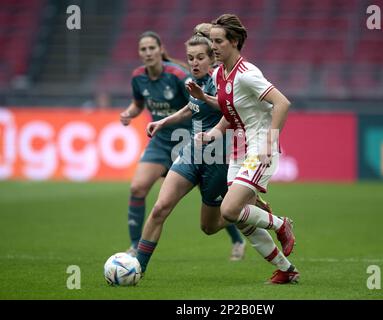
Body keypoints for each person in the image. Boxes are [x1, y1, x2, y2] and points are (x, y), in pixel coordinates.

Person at [187, 14, 299, 283]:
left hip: (258, 147)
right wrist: (212, 124)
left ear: (234, 42)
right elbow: (231, 110)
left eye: (218, 41)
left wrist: (269, 142)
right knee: (240, 219)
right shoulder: (220, 73)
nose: (213, 46)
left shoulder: (248, 74)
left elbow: (282, 102)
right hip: (239, 149)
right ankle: (287, 270)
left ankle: (282, 224)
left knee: (228, 210)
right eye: (211, 41)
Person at [120, 30, 245, 260]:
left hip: (188, 138)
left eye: (151, 48)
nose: (147, 53)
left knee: (212, 203)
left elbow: (199, 108)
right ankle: (135, 248)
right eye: (143, 49)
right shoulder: (138, 77)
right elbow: (139, 104)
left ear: (160, 49)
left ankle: (237, 238)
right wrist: (131, 113)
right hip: (160, 141)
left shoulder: (179, 76)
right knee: (139, 189)